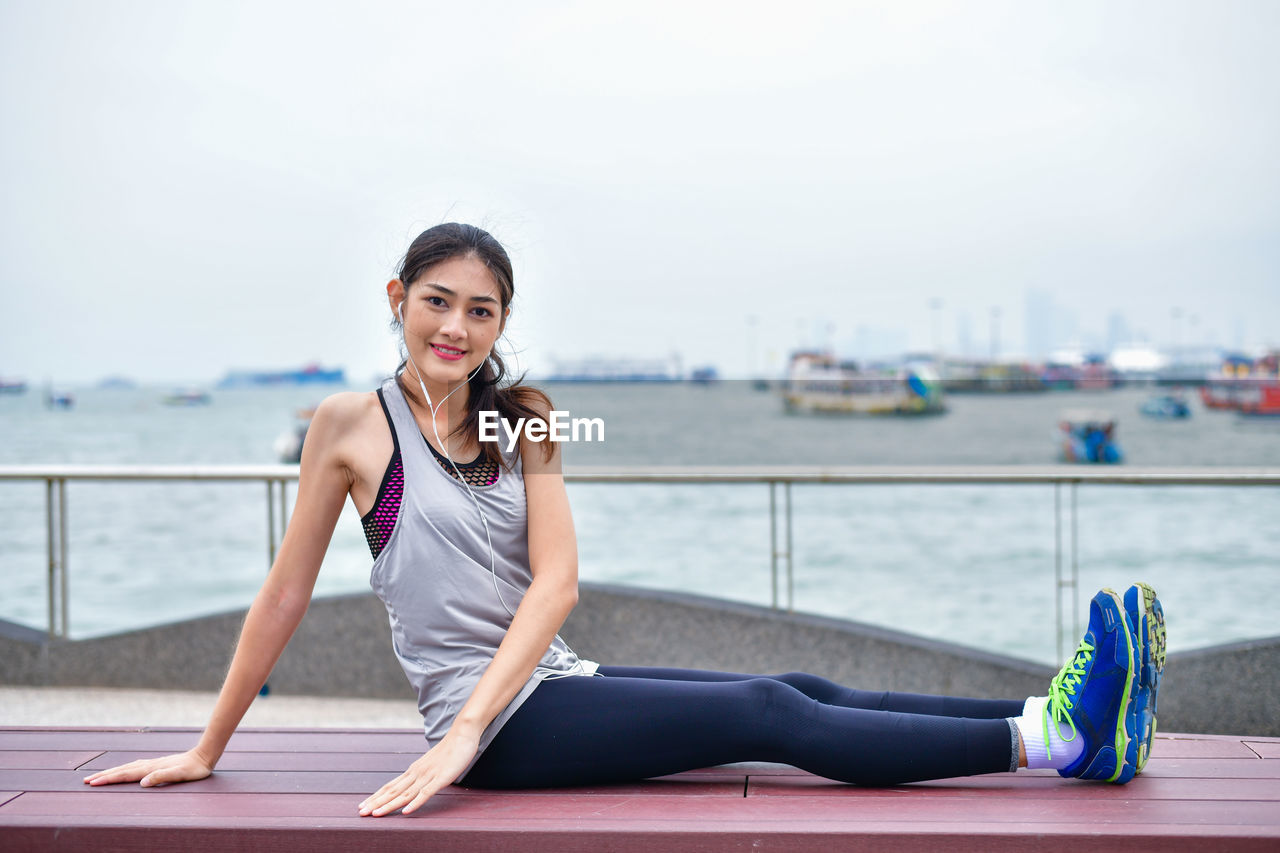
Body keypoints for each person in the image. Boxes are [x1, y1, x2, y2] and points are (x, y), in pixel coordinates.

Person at [83, 223, 1167, 815]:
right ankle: (1052, 744)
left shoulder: (525, 419)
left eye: (481, 307)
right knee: (762, 710)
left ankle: (1064, 709)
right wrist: (205, 745)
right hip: (491, 727)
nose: (455, 326)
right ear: (395, 297)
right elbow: (283, 591)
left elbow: (555, 582)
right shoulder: (348, 427)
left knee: (797, 686)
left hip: (552, 682)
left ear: (503, 319)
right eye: (436, 300)